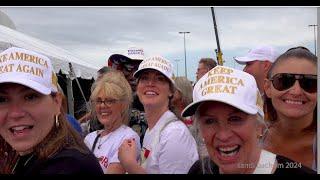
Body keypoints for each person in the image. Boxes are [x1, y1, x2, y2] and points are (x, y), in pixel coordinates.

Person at [182, 65, 315, 174]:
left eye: (235, 119)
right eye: (209, 121)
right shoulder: (198, 170)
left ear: (260, 126)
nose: (223, 135)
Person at [0, 47, 103, 174]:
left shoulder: (69, 166)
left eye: (30, 97)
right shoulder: (32, 153)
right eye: (2, 100)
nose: (15, 113)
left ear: (56, 103)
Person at [118, 55, 199, 174]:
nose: (150, 83)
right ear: (138, 86)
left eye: (160, 79)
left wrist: (130, 164)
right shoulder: (153, 130)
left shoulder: (175, 134)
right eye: (144, 78)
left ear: (171, 91)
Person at [262, 46, 317, 170]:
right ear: (267, 88)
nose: (296, 91)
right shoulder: (250, 139)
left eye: (310, 83)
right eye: (284, 80)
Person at [84, 71, 141, 174]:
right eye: (99, 100)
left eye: (109, 101)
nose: (102, 106)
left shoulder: (128, 138)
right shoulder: (90, 138)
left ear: (123, 105)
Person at [108, 47, 147, 145]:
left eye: (138, 69)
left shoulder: (151, 100)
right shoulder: (108, 99)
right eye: (128, 68)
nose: (133, 75)